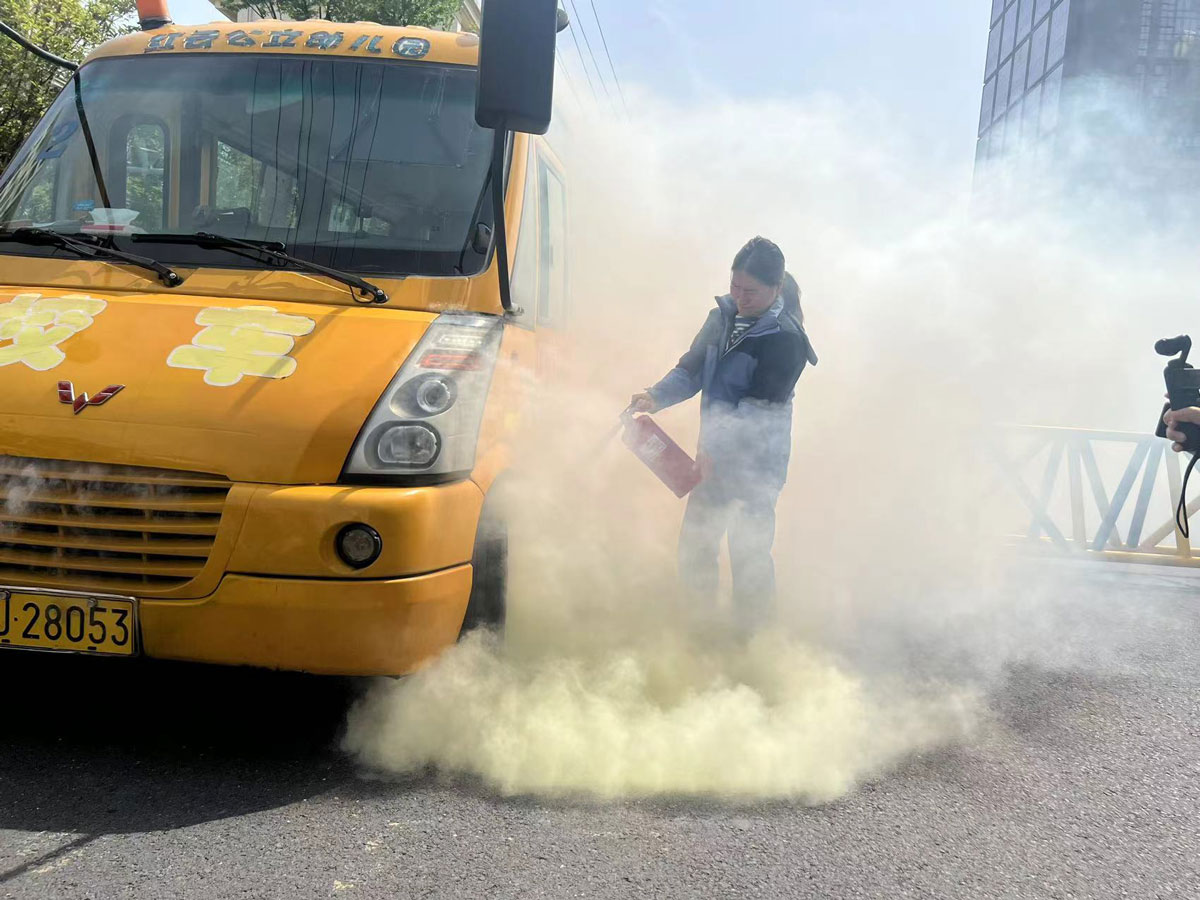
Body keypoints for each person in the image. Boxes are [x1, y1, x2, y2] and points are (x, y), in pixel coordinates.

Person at [630, 236, 817, 631]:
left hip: (756, 470)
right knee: (696, 548)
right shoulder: (722, 317)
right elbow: (692, 369)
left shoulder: (787, 339)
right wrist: (654, 396)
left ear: (776, 288)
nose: (740, 297)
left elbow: (757, 409)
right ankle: (701, 629)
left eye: (750, 291)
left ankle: (751, 644)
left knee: (749, 556)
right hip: (711, 461)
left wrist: (715, 451)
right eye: (735, 286)